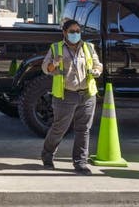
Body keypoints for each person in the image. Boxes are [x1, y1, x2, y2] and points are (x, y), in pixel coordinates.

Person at [40, 19, 103, 175]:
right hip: (66, 95)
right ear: (65, 33)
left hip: (87, 94)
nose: (75, 34)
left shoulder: (88, 47)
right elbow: (45, 68)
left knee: (84, 130)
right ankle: (47, 156)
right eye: (72, 31)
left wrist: (96, 71)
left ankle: (80, 162)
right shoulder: (56, 48)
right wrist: (54, 63)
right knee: (59, 128)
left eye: (78, 31)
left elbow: (97, 65)